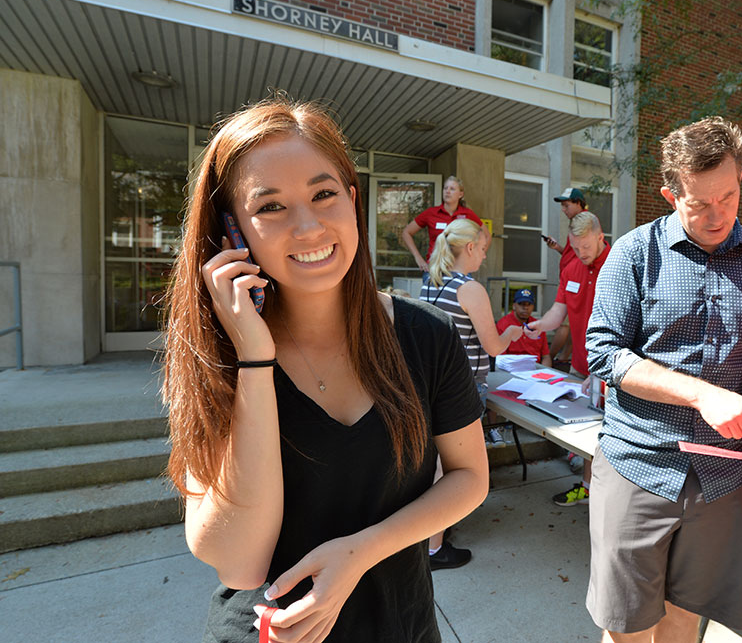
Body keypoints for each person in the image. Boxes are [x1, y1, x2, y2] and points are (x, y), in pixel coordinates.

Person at [161, 99, 489, 643]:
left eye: (323, 194)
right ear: (232, 232)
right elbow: (240, 563)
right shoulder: (215, 353)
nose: (309, 227)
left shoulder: (424, 334)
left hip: (403, 625)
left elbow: (470, 477)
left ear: (352, 200)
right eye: (270, 207)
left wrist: (359, 553)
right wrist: (253, 359)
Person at [585, 116, 742, 642]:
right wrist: (702, 394)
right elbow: (604, 352)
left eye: (728, 196)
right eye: (699, 203)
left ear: (741, 177)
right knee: (626, 627)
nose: (717, 215)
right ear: (669, 192)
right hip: (639, 463)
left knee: (684, 619)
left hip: (724, 477)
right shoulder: (633, 253)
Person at [419, 218, 524, 565]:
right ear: (468, 248)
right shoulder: (470, 289)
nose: (482, 256)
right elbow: (492, 346)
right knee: (452, 471)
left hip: (428, 384)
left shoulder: (431, 282)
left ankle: (427, 538)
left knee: (432, 464)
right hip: (461, 388)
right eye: (481, 249)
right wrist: (511, 334)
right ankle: (435, 547)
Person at [524, 211, 610, 506]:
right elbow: (558, 312)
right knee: (585, 436)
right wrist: (539, 326)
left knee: (605, 437)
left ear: (601, 237)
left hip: (609, 371)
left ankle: (604, 497)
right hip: (579, 367)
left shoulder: (619, 265)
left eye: (587, 247)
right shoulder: (571, 267)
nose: (581, 253)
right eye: (575, 247)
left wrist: (608, 371)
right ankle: (588, 488)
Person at [401, 176, 482, 273]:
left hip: (459, 269)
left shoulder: (467, 214)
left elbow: (485, 235)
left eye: (452, 189)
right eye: (445, 188)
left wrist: (476, 258)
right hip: (435, 268)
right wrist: (418, 258)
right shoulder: (431, 213)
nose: (447, 191)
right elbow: (406, 232)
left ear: (460, 194)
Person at [544, 187, 589, 363]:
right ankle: (563, 358)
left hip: (576, 280)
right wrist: (557, 248)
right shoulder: (579, 221)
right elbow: (574, 254)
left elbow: (586, 254)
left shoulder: (585, 221)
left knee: (563, 322)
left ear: (578, 203)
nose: (563, 210)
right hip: (571, 278)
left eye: (566, 205)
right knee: (572, 323)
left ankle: (550, 357)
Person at [495, 288, 551, 367]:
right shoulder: (503, 324)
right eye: (521, 304)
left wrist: (546, 373)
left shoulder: (537, 325)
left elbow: (546, 357)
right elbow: (500, 358)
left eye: (529, 304)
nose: (525, 307)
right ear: (514, 306)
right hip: (511, 368)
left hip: (536, 369)